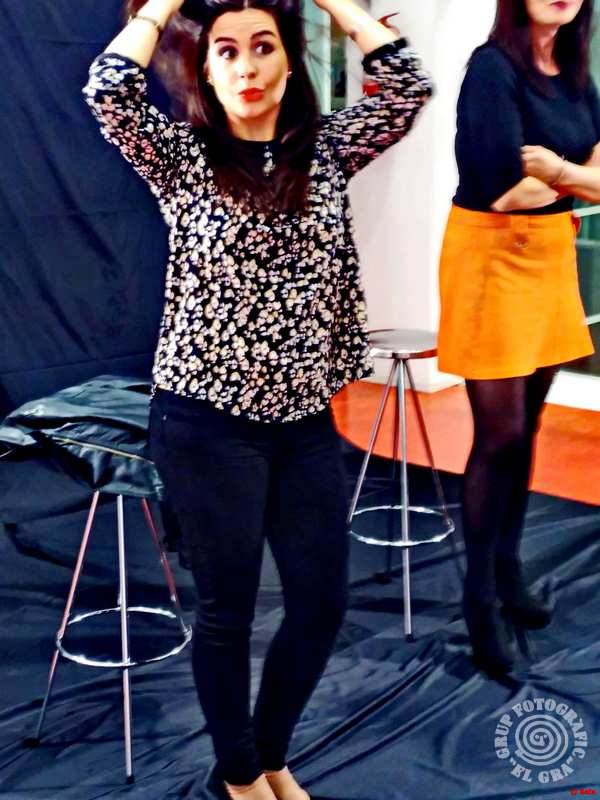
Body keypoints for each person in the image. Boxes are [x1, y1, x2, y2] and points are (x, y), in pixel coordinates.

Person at [83, 0, 433, 796]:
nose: (246, 66)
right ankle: (238, 776)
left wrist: (339, 5)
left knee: (321, 603)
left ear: (288, 62)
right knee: (228, 610)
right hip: (206, 423)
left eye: (264, 47)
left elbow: (407, 88)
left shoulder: (329, 150)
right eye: (228, 52)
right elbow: (108, 91)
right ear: (206, 72)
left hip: (303, 421)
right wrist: (163, 5)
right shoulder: (181, 157)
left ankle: (271, 756)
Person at [437, 0, 600, 676]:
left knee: (528, 427)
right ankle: (478, 596)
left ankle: (507, 569)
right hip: (491, 255)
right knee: (498, 433)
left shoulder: (577, 74)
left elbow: (586, 179)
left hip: (549, 255)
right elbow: (505, 189)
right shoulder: (492, 68)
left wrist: (557, 173)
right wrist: (578, 176)